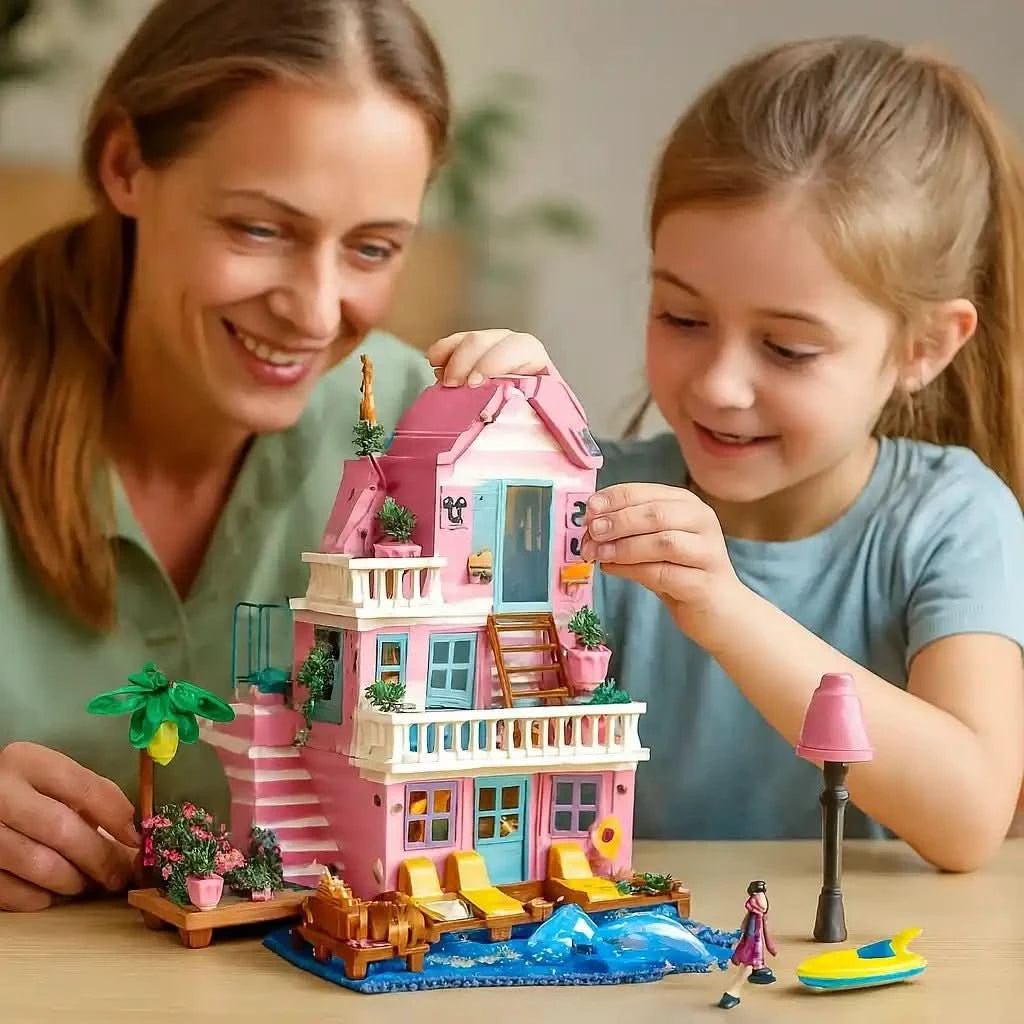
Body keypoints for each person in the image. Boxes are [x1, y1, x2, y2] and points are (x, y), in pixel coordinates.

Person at [429, 36, 1024, 873]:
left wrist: (727, 608)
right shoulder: (594, 496)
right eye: (682, 317)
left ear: (925, 346)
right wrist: (508, 426)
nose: (718, 385)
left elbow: (969, 817)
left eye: (786, 347)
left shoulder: (953, 518)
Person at [0, 0, 447, 912]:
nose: (319, 314)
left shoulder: (411, 423)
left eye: (370, 248)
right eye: (261, 228)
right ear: (126, 166)